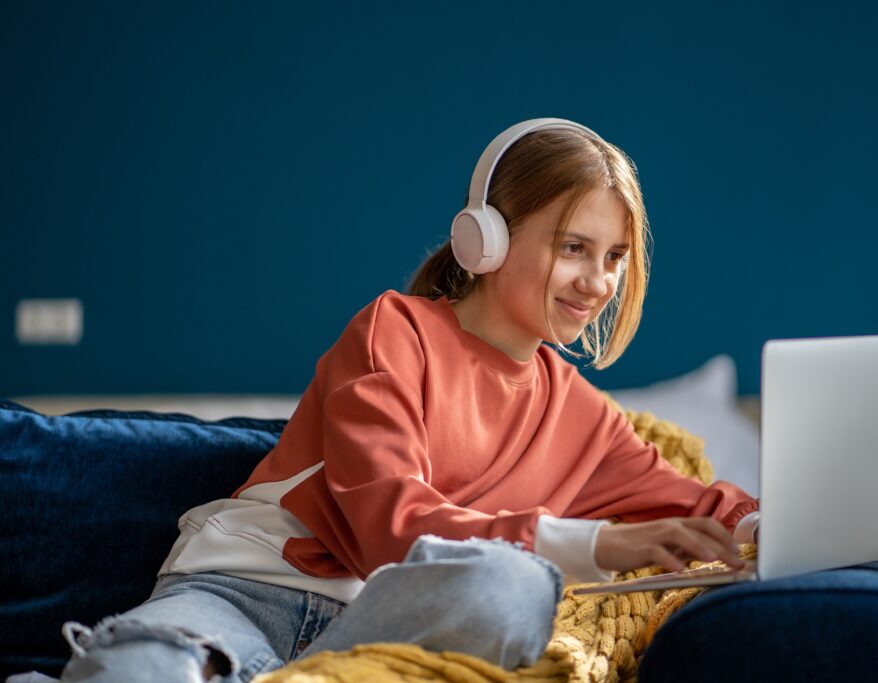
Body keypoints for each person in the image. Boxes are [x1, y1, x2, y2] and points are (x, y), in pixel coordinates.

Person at [54, 118, 759, 683]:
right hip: (248, 593)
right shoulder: (394, 330)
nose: (597, 282)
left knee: (510, 589)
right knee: (144, 667)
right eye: (575, 246)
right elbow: (389, 529)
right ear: (487, 239)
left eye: (614, 257)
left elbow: (705, 508)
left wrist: (775, 525)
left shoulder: (585, 417)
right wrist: (597, 541)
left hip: (382, 633)